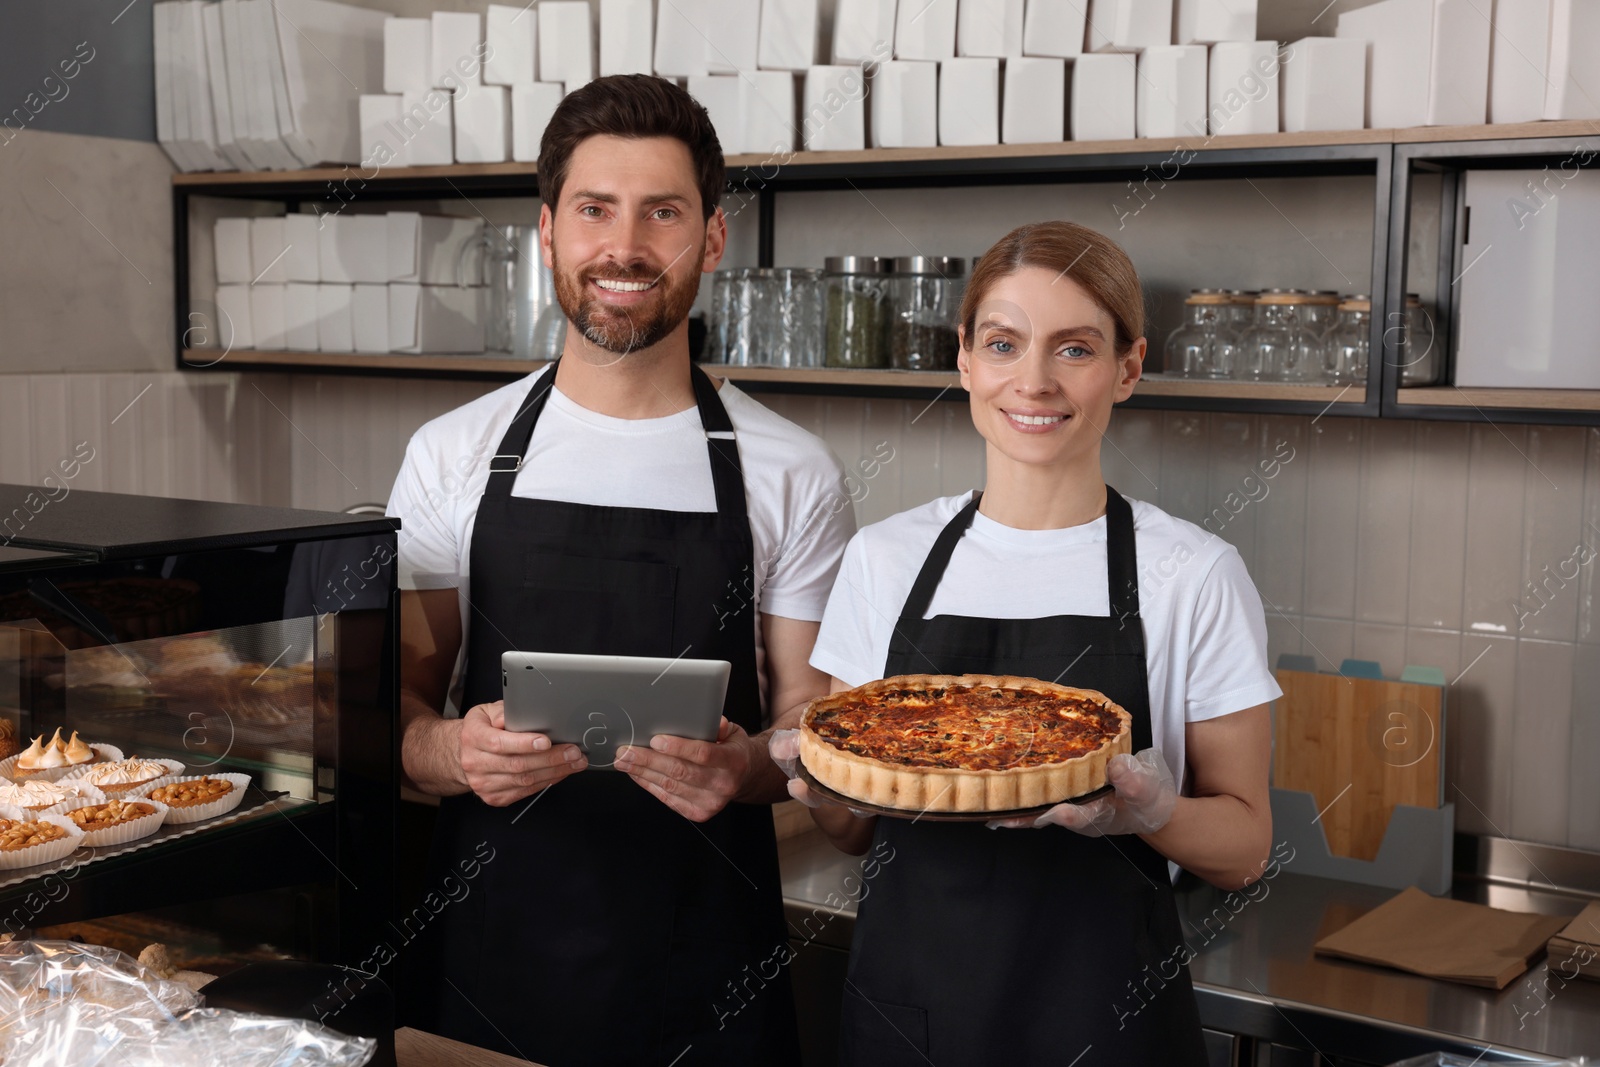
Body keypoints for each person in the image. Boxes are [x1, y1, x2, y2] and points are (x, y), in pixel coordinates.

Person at [387, 75, 855, 1066]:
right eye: (596, 209)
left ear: (712, 238)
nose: (626, 246)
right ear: (548, 230)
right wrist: (455, 753)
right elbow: (394, 714)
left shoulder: (789, 469)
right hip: (490, 954)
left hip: (710, 971)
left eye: (663, 212)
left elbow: (817, 721)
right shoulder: (451, 452)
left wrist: (745, 765)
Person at [774, 220, 1280, 1065]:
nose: (1034, 382)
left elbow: (1246, 847)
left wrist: (1147, 812)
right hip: (914, 1016)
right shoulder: (885, 558)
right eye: (1005, 343)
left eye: (1075, 349)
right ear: (965, 358)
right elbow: (852, 832)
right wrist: (815, 780)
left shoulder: (1193, 572)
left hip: (1109, 1023)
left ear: (1129, 367)